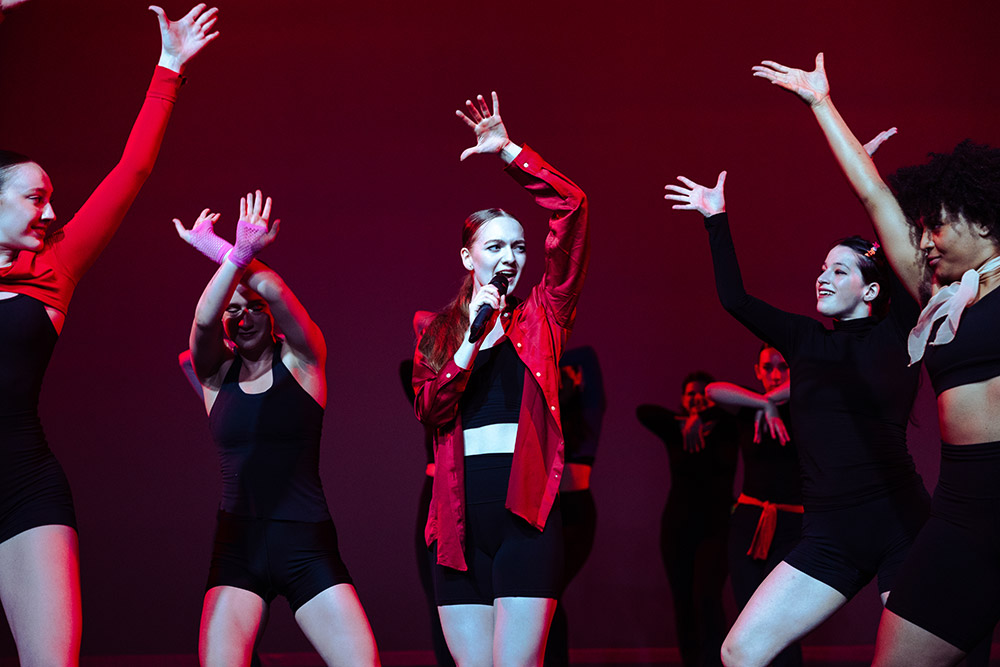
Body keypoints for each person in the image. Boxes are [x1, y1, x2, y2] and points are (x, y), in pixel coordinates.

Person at [752, 53, 1000, 667]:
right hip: (966, 509)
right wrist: (820, 103)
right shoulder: (933, 292)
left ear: (983, 219)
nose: (923, 242)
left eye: (935, 226)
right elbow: (871, 190)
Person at [0, 6, 216, 664]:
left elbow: (131, 172)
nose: (53, 211)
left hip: (24, 488)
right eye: (36, 197)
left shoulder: (54, 267)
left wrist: (169, 67)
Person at [665, 168, 930, 667]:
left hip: (902, 525)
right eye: (821, 268)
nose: (822, 276)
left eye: (838, 270)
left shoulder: (899, 331)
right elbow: (735, 300)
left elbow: (897, 248)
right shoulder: (806, 341)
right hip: (831, 536)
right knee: (740, 651)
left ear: (871, 291)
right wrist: (716, 219)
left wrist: (868, 183)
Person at [412, 91, 589, 667]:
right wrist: (472, 337)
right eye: (495, 246)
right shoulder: (436, 331)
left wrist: (508, 151)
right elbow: (432, 410)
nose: (511, 256)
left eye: (518, 246)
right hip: (458, 526)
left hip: (525, 522)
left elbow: (574, 210)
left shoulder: (544, 313)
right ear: (468, 258)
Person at [175, 192, 379, 667]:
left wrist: (228, 252)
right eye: (234, 311)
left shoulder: (305, 362)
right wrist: (231, 257)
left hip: (305, 545)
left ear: (270, 319)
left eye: (251, 308)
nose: (241, 317)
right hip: (237, 549)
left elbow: (278, 291)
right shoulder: (212, 375)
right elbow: (204, 318)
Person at [705, 345, 803, 667]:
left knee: (782, 621)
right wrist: (763, 402)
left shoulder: (805, 406)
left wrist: (773, 402)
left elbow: (814, 380)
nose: (775, 373)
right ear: (758, 372)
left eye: (782, 367)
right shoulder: (748, 411)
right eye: (768, 367)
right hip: (748, 522)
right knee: (749, 615)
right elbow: (712, 390)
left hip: (792, 525)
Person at [638, 372, 739, 667]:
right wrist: (686, 420)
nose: (694, 398)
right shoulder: (674, 429)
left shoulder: (728, 426)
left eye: (701, 393)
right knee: (683, 603)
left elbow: (738, 398)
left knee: (706, 597)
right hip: (677, 529)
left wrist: (704, 415)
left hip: (716, 526)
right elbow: (643, 412)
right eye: (689, 394)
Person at [545, 345, 606, 667]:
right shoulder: (545, 411)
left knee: (550, 593)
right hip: (548, 516)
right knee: (546, 597)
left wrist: (554, 356)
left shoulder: (589, 412)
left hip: (577, 515)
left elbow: (587, 356)